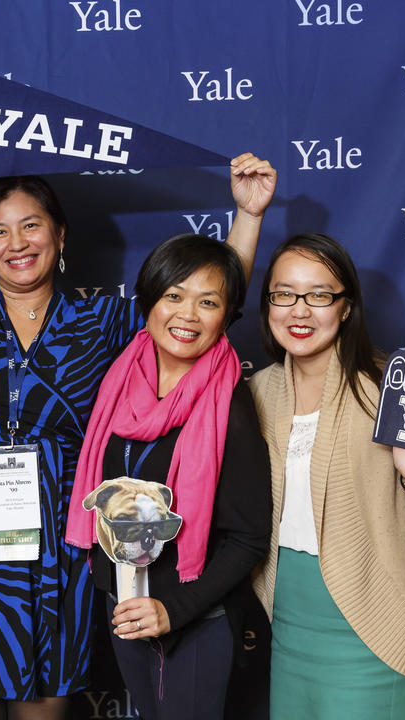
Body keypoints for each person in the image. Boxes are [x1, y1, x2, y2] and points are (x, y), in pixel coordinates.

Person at [0, 45, 277, 720]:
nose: (16, 242)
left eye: (31, 226)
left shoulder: (104, 320)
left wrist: (247, 217)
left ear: (60, 233)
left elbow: (201, 306)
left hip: (62, 537)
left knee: (46, 706)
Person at [65, 234, 272, 720]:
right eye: (174, 296)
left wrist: (173, 609)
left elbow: (248, 538)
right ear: (149, 299)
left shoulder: (229, 407)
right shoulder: (120, 379)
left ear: (226, 317)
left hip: (195, 616)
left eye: (209, 302)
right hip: (125, 603)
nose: (187, 315)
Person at [249, 233, 405, 719]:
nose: (299, 310)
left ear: (346, 307)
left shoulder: (391, 388)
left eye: (320, 295)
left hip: (374, 624)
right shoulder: (256, 393)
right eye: (284, 294)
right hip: (287, 624)